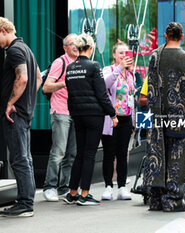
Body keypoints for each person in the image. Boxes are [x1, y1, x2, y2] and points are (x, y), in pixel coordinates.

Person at [144, 22, 185, 212]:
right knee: (178, 158)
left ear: (166, 36)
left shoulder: (154, 56)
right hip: (180, 116)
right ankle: (173, 200)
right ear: (181, 37)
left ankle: (156, 199)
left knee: (158, 155)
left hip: (158, 114)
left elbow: (150, 83)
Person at [0, 16, 42, 217]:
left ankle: (25, 204)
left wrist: (11, 103)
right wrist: (28, 99)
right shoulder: (27, 48)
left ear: (3, 30)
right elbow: (38, 78)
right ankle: (26, 201)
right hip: (24, 111)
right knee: (25, 158)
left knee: (19, 159)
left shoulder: (13, 51)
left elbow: (24, 78)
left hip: (15, 114)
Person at [63, 33, 118, 206]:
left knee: (79, 154)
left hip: (77, 115)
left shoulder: (70, 68)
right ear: (91, 48)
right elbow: (102, 95)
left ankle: (72, 192)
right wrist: (113, 114)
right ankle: (85, 194)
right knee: (89, 155)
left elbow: (70, 94)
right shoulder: (94, 66)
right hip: (94, 115)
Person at [42, 34, 79, 201]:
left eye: (78, 43)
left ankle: (64, 187)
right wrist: (65, 82)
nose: (75, 46)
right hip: (61, 111)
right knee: (58, 151)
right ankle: (49, 186)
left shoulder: (80, 63)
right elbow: (46, 87)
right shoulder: (60, 62)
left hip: (76, 112)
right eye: (72, 44)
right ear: (65, 47)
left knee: (71, 153)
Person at [101, 41, 135, 201]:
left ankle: (122, 186)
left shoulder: (130, 74)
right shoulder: (108, 70)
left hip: (126, 118)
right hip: (111, 119)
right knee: (109, 153)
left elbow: (131, 97)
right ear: (114, 55)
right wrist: (120, 67)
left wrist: (133, 120)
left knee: (123, 153)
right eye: (121, 53)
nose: (124, 56)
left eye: (126, 53)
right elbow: (106, 84)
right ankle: (108, 186)